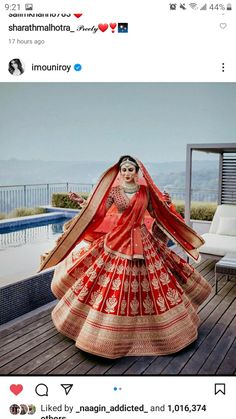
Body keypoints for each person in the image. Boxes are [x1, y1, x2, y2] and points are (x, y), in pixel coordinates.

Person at [40, 155, 211, 359]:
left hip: (142, 240)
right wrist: (83, 203)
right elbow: (100, 212)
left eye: (131, 170)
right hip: (117, 240)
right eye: (124, 170)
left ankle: (160, 332)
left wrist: (166, 205)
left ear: (137, 173)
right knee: (112, 285)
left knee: (149, 284)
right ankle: (104, 336)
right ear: (119, 173)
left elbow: (157, 214)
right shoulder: (114, 192)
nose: (127, 173)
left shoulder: (146, 192)